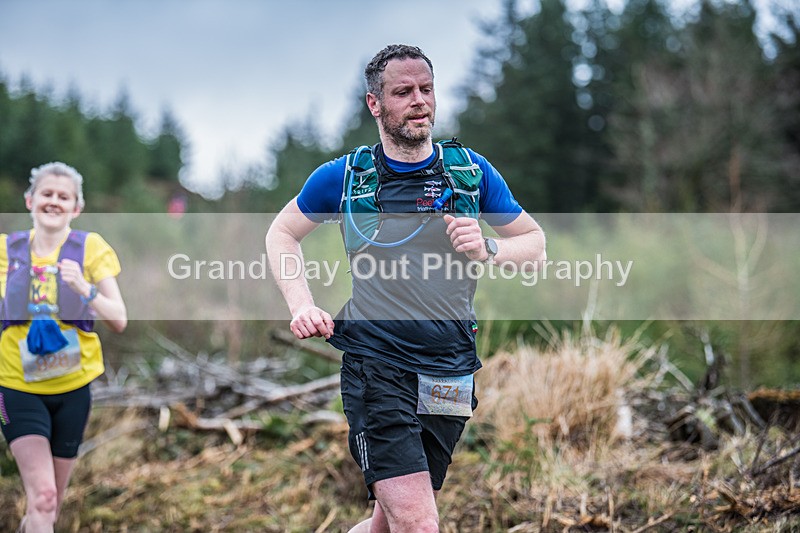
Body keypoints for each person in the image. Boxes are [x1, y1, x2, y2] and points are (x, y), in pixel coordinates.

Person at [266, 44, 546, 532]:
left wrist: (489, 248)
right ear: (375, 104)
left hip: (450, 367)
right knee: (418, 521)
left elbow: (535, 244)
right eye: (403, 92)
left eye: (426, 89)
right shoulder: (346, 177)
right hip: (377, 364)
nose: (420, 101)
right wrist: (302, 304)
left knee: (386, 523)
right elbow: (282, 233)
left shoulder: (469, 172)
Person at [0, 162, 127, 533]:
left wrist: (84, 289)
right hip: (16, 387)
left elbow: (119, 319)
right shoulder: (6, 250)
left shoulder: (90, 248)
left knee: (49, 506)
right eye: (47, 194)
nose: (54, 201)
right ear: (30, 200)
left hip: (74, 388)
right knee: (43, 497)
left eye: (63, 196)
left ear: (77, 207)